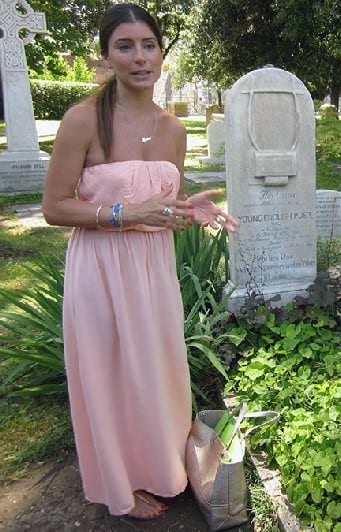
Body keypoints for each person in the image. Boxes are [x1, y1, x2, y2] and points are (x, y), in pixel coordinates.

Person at [42, 3, 237, 520]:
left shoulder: (174, 129)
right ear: (106, 56)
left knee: (158, 370)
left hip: (154, 269)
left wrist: (191, 211)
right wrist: (124, 213)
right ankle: (120, 487)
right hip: (101, 270)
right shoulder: (82, 120)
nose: (139, 57)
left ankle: (163, 468)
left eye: (148, 45)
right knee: (111, 372)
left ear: (161, 53)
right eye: (124, 46)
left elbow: (164, 203)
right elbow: (55, 207)